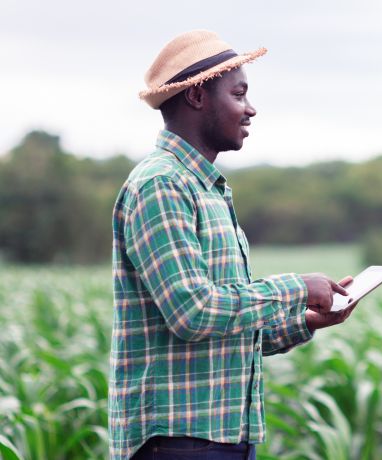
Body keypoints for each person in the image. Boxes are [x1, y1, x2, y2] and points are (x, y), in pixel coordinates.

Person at [109, 30, 358, 460]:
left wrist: (307, 321)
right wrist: (297, 287)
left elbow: (227, 330)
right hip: (177, 442)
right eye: (239, 94)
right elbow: (193, 312)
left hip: (220, 437)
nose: (251, 108)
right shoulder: (162, 185)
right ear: (198, 97)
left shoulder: (208, 190)